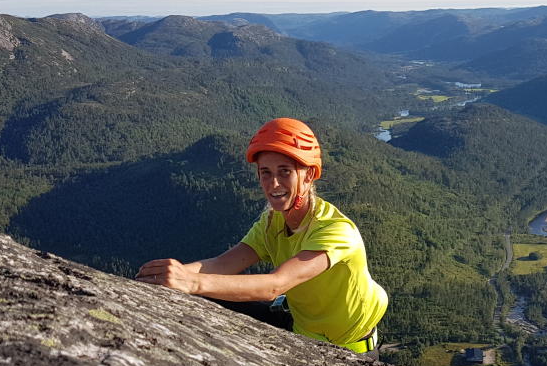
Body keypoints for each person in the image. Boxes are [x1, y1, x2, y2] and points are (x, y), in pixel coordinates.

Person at [135, 117, 388, 354]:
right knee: (201, 292)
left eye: (285, 172)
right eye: (265, 172)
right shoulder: (271, 222)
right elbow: (223, 264)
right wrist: (171, 275)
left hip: (349, 349)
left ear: (309, 175)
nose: (273, 183)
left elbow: (275, 285)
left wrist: (190, 282)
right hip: (300, 328)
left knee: (199, 289)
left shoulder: (335, 231)